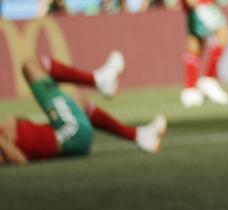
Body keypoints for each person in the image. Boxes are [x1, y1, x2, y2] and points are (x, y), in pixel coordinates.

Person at [0, 51, 166, 166]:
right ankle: (99, 80)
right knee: (30, 65)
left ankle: (139, 136)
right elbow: (20, 161)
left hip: (67, 132)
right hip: (70, 133)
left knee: (78, 101)